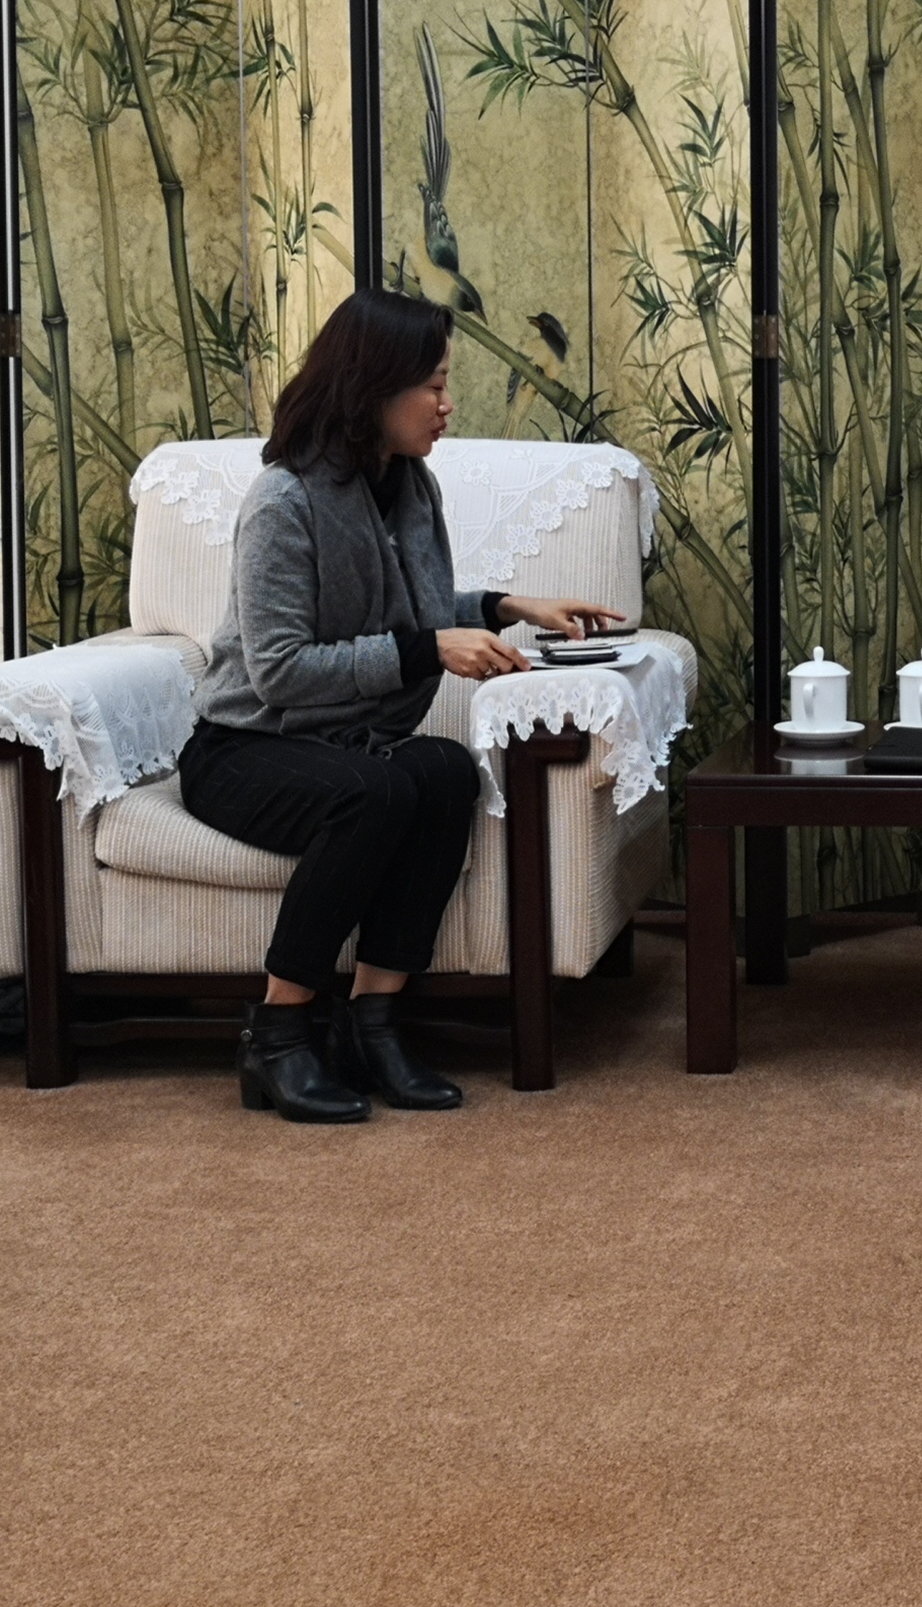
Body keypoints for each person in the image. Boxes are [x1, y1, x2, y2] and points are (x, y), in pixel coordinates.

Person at [180, 290, 625, 1124]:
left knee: (447, 771)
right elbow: (279, 672)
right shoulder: (283, 501)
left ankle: (374, 1023)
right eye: (433, 385)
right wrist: (429, 651)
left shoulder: (410, 487)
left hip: (341, 741)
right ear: (371, 388)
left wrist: (506, 606)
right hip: (242, 748)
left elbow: (410, 609)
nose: (446, 404)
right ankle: (278, 1034)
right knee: (379, 791)